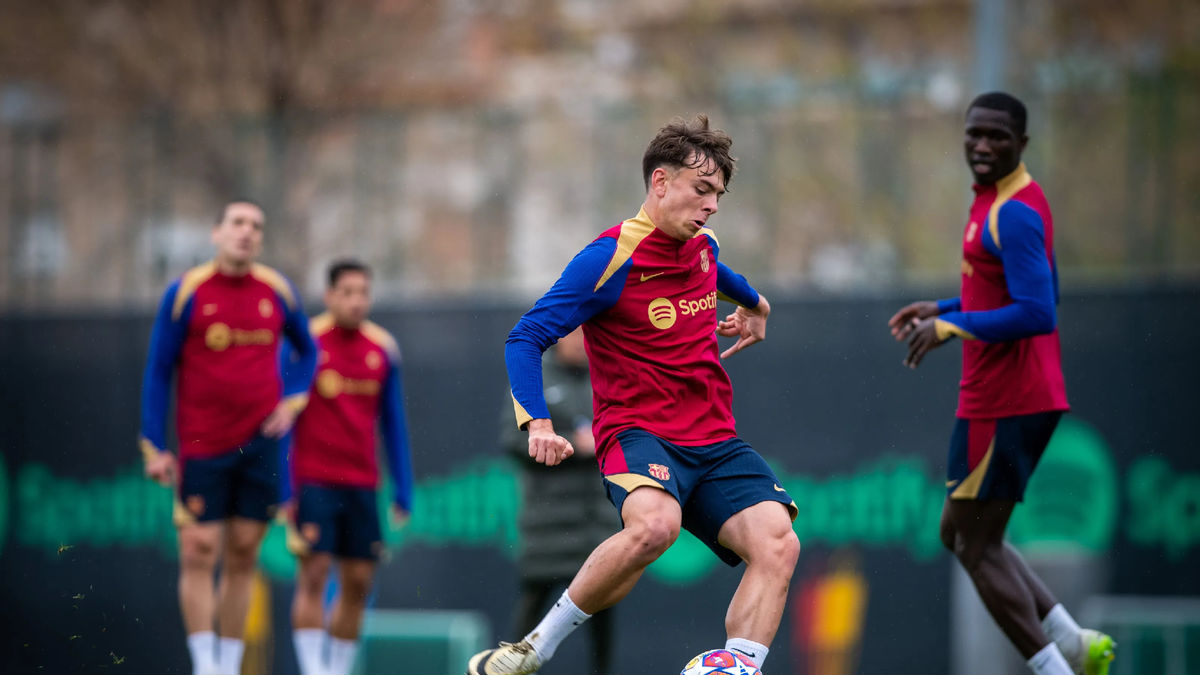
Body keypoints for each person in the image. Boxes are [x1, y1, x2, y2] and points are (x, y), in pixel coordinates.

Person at [469, 115, 800, 675]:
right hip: (639, 433)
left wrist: (757, 307)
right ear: (660, 182)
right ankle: (533, 650)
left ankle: (735, 667)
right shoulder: (609, 258)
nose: (712, 205)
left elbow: (726, 278)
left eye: (718, 195)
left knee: (780, 543)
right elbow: (525, 337)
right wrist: (539, 423)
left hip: (715, 439)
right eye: (702, 189)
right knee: (654, 527)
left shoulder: (702, 246)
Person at [888, 92, 1116, 675]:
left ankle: (1058, 666)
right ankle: (1072, 641)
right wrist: (942, 307)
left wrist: (951, 326)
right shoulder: (1001, 198)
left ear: (1022, 143)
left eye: (997, 136)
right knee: (961, 534)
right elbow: (1020, 290)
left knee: (975, 545)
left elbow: (1040, 310)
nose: (983, 145)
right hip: (1003, 397)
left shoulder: (1014, 212)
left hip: (1007, 401)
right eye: (975, 134)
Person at [140, 199, 318, 675]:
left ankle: (229, 664)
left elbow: (308, 352)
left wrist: (292, 400)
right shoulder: (186, 292)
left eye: (256, 225)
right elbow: (158, 370)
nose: (246, 231)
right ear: (216, 232)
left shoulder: (277, 290)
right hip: (203, 444)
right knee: (198, 549)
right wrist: (154, 444)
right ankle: (206, 665)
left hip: (260, 446)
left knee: (243, 553)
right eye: (237, 223)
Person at [282, 259, 415, 675]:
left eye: (364, 293)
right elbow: (283, 419)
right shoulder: (305, 343)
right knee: (314, 574)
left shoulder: (383, 349)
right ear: (329, 296)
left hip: (362, 483)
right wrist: (284, 489)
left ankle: (337, 669)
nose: (357, 301)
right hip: (314, 480)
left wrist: (403, 488)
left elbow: (393, 423)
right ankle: (313, 669)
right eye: (348, 292)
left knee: (358, 582)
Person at [501, 327, 620, 675]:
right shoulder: (533, 378)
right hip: (548, 522)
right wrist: (571, 444)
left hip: (598, 520)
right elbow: (512, 440)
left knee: (602, 615)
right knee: (532, 613)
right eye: (575, 334)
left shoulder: (608, 376)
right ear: (560, 336)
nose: (582, 342)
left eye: (587, 334)